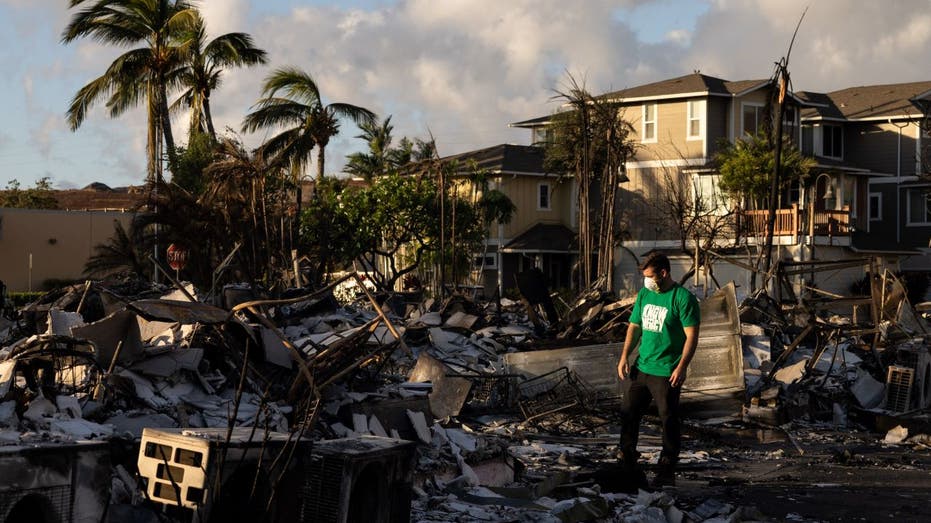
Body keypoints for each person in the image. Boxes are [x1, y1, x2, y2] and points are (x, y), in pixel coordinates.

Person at [617, 253, 700, 487]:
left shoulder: (683, 299)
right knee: (628, 413)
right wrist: (625, 356)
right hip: (642, 367)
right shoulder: (645, 294)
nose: (647, 281)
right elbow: (634, 327)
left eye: (650, 276)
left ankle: (666, 467)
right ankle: (627, 459)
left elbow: (691, 337)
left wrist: (682, 367)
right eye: (644, 277)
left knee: (668, 419)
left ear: (663, 273)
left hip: (666, 371)